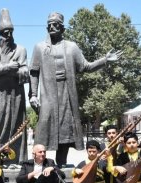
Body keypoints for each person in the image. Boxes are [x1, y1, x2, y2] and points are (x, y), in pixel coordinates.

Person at [29, 12, 121, 168]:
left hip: (67, 92)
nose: (52, 26)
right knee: (44, 127)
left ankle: (62, 163)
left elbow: (86, 66)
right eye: (49, 24)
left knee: (65, 128)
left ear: (62, 28)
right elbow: (34, 72)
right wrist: (32, 94)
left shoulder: (72, 47)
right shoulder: (39, 47)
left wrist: (105, 60)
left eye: (55, 24)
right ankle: (38, 165)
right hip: (48, 94)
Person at [0, 8, 29, 164]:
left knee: (17, 127)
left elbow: (25, 72)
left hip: (17, 96)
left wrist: (2, 68)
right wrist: (6, 67)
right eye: (4, 32)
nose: (8, 35)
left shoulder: (20, 49)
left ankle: (17, 161)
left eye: (10, 31)